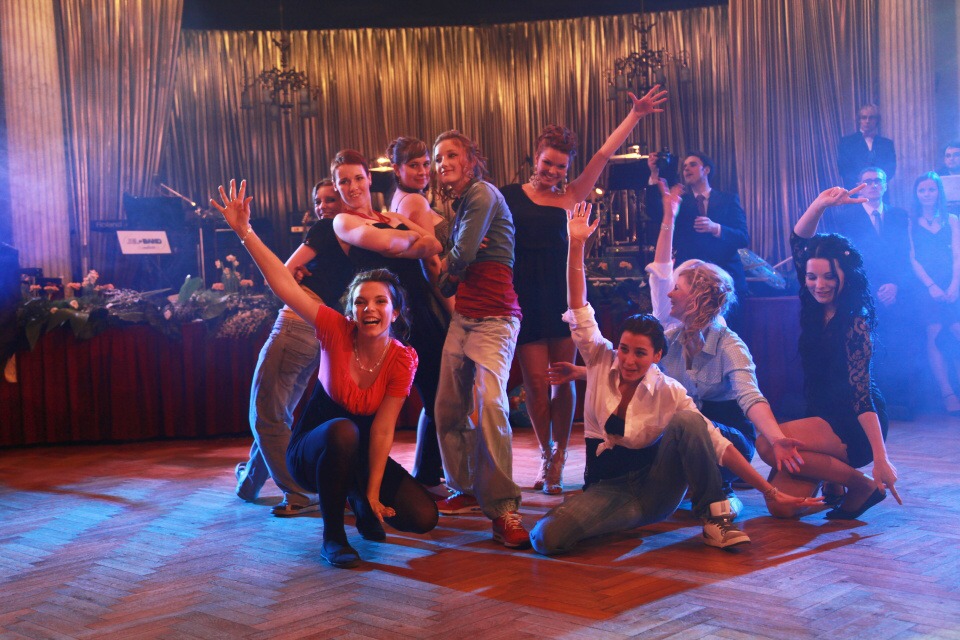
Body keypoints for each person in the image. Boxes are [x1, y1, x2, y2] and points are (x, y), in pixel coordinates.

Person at [529, 201, 819, 557]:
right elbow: (579, 308)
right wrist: (576, 245)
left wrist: (772, 482)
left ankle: (716, 514)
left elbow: (736, 417)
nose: (629, 359)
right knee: (547, 538)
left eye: (640, 353)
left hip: (665, 480)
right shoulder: (643, 347)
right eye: (624, 350)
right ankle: (623, 517)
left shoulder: (692, 371)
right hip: (612, 488)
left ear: (656, 357)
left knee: (688, 422)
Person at [213, 179, 438, 569]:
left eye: (380, 301)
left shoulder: (403, 358)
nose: (370, 309)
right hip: (310, 455)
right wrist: (244, 231)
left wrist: (372, 495)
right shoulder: (335, 330)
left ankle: (356, 494)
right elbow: (284, 283)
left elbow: (383, 431)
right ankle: (333, 537)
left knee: (423, 517)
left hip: (360, 454)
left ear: (395, 311)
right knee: (343, 430)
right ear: (350, 311)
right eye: (361, 302)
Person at [501, 87, 667, 496]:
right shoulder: (509, 196)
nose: (552, 171)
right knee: (535, 383)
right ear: (536, 158)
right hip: (524, 298)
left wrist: (635, 115)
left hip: (564, 297)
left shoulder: (572, 196)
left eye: (560, 166)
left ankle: (559, 457)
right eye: (547, 163)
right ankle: (546, 452)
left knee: (563, 379)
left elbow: (604, 155)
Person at [763, 184, 902, 520]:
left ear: (845, 276)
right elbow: (799, 240)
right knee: (781, 506)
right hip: (819, 414)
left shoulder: (856, 321)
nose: (819, 284)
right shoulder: (813, 301)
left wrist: (881, 457)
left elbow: (861, 395)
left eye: (828, 277)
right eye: (812, 277)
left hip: (851, 425)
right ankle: (836, 479)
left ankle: (860, 485)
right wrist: (820, 204)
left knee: (768, 444)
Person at [327, 148, 446, 496]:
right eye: (344, 181)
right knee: (371, 406)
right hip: (378, 321)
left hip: (420, 315)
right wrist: (408, 239)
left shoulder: (390, 216)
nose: (352, 187)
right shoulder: (343, 221)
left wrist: (399, 240)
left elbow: (434, 244)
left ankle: (428, 474)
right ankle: (359, 484)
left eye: (358, 178)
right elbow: (388, 242)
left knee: (438, 396)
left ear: (369, 179)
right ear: (336, 187)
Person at [430, 130, 528, 548]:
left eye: (451, 155)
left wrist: (453, 260)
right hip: (464, 317)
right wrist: (454, 258)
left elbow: (462, 257)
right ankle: (467, 488)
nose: (443, 163)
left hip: (496, 319)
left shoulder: (483, 194)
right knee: (447, 408)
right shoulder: (459, 208)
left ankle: (504, 508)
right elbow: (450, 270)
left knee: (490, 403)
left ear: (471, 160)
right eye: (438, 158)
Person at [234, 178, 355, 517]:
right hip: (319, 332)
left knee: (266, 415)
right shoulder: (357, 239)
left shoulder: (326, 228)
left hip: (294, 324)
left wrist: (295, 274)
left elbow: (281, 273)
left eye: (331, 199)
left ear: (345, 201)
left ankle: (300, 491)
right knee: (277, 412)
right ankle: (249, 483)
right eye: (319, 200)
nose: (323, 207)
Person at [386, 136, 452, 490]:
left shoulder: (399, 199)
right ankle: (429, 475)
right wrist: (452, 309)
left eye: (426, 164)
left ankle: (427, 473)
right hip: (422, 305)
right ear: (397, 169)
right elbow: (431, 262)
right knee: (440, 393)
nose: (424, 171)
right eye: (414, 165)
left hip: (410, 304)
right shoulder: (414, 200)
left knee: (433, 393)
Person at [823, 166, 917, 418]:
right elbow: (846, 260)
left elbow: (905, 255)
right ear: (860, 186)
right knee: (867, 346)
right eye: (868, 181)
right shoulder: (845, 217)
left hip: (896, 292)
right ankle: (871, 402)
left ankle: (899, 401)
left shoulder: (899, 215)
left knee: (897, 343)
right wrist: (871, 288)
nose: (874, 185)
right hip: (862, 291)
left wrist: (895, 284)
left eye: (878, 181)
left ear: (885, 185)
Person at [644, 152, 750, 331]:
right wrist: (654, 173)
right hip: (690, 282)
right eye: (684, 166)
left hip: (726, 279)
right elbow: (654, 212)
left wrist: (716, 228)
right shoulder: (679, 202)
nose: (686, 168)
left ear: (706, 170)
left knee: (729, 333)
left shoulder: (728, 200)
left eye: (692, 164)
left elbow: (743, 237)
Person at [908, 172, 960, 413]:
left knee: (957, 331)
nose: (927, 194)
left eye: (931, 189)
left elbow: (957, 255)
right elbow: (912, 258)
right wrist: (931, 286)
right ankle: (947, 393)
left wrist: (954, 285)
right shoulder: (910, 221)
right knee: (934, 332)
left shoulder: (952, 219)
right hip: (925, 286)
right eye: (922, 190)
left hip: (952, 283)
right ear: (916, 194)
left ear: (939, 191)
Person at [837, 104, 897, 190]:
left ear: (876, 120)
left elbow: (891, 168)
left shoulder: (887, 143)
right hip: (855, 190)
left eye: (871, 118)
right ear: (859, 120)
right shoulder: (846, 142)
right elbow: (843, 168)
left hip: (879, 190)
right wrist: (860, 185)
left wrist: (878, 183)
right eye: (864, 118)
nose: (867, 121)